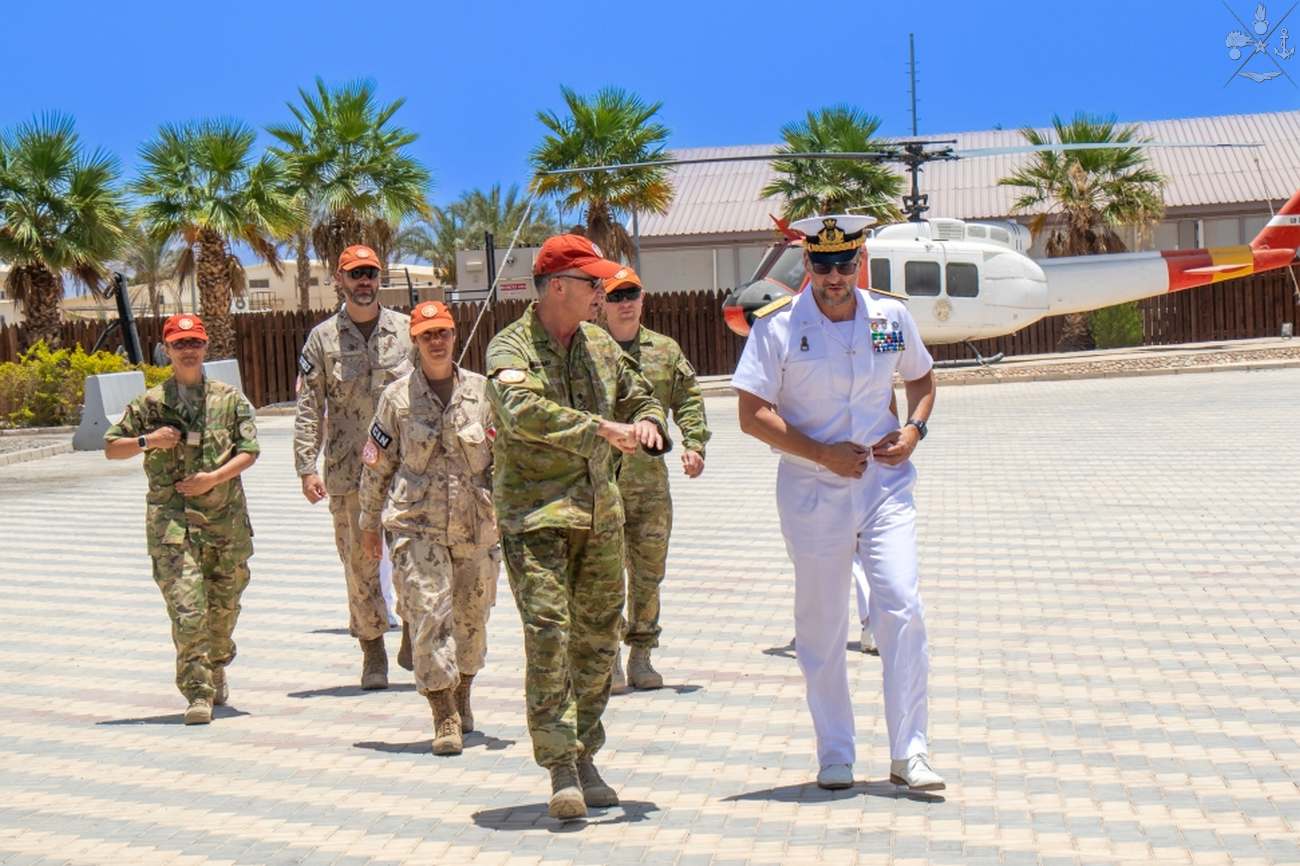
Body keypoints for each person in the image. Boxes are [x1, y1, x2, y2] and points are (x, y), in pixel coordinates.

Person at [731, 214, 944, 792]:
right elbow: (751, 414)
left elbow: (922, 379)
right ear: (807, 264)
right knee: (822, 623)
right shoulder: (777, 327)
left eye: (844, 264)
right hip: (812, 488)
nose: (834, 277)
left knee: (901, 605)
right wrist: (821, 454)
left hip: (883, 484)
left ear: (860, 263)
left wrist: (914, 431)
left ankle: (911, 752)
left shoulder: (890, 317)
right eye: (822, 265)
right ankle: (835, 751)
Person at [486, 233, 668, 820]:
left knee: (596, 640)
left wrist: (647, 420)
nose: (602, 293)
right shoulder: (510, 347)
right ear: (559, 287)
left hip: (599, 517)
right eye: (594, 283)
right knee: (548, 633)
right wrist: (601, 429)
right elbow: (521, 411)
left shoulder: (600, 344)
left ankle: (586, 751)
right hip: (536, 517)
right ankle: (560, 764)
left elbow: (641, 394)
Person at [104, 314, 260, 725]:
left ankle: (217, 662)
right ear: (167, 350)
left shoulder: (229, 399)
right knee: (189, 612)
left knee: (223, 610)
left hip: (224, 524)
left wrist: (213, 478)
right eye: (179, 344)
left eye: (194, 343)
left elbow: (249, 450)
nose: (188, 350)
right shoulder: (151, 404)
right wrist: (148, 440)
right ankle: (198, 693)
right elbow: (112, 448)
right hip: (172, 527)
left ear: (205, 347)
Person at [357, 301, 498, 755]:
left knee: (472, 620)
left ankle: (463, 693)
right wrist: (368, 525)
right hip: (416, 527)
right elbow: (376, 466)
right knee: (429, 615)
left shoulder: (482, 392)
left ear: (454, 336)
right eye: (427, 335)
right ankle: (444, 713)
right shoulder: (396, 399)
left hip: (475, 527)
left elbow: (503, 463)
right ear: (414, 341)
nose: (437, 342)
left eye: (443, 333)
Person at [294, 244, 412, 690]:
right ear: (339, 280)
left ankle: (412, 630)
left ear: (380, 279)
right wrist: (306, 467)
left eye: (371, 273)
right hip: (349, 474)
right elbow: (309, 407)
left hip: (404, 472)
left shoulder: (407, 331)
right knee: (360, 568)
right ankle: (372, 650)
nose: (364, 281)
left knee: (413, 560)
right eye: (356, 274)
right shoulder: (322, 339)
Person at [600, 266, 711, 691]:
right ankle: (608, 657)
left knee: (648, 574)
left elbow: (689, 399)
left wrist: (695, 445)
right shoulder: (588, 349)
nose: (624, 303)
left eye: (631, 294)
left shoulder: (664, 350)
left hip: (649, 485)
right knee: (605, 575)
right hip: (600, 486)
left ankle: (642, 655)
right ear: (602, 302)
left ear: (643, 298)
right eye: (616, 296)